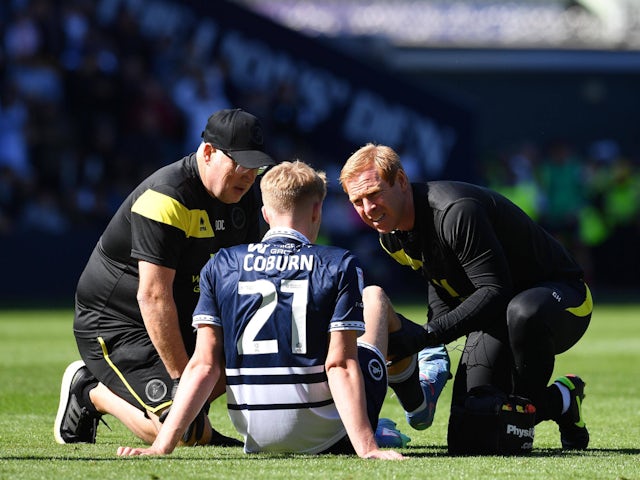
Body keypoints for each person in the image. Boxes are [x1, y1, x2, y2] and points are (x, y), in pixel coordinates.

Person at [117, 160, 406, 459]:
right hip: (327, 434)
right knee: (374, 300)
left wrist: (161, 446)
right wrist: (368, 449)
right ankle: (411, 387)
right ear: (317, 210)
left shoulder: (222, 263)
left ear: (266, 214)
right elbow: (339, 365)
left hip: (256, 434)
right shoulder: (339, 263)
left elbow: (203, 366)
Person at [339, 143, 593, 451]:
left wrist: (425, 337)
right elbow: (441, 280)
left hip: (562, 299)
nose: (368, 208)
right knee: (469, 435)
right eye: (358, 201)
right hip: (499, 313)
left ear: (402, 182)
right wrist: (429, 350)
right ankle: (561, 402)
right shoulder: (391, 237)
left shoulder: (455, 211)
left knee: (523, 313)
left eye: (375, 193)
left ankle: (528, 406)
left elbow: (494, 290)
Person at [54, 108, 277, 447]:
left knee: (255, 353)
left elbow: (240, 278)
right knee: (183, 431)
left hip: (181, 314)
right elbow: (153, 297)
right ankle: (89, 391)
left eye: (255, 165)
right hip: (119, 323)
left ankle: (189, 414)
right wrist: (182, 381)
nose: (248, 174)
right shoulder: (165, 197)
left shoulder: (242, 195)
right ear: (207, 152)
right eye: (240, 162)